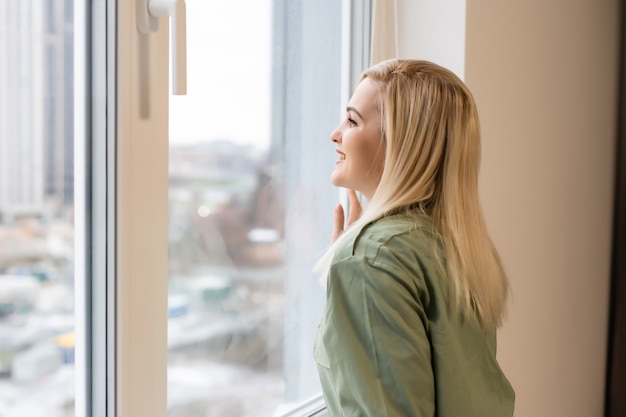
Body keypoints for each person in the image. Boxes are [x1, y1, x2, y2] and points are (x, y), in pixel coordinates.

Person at [313, 59, 515, 417]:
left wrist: (355, 259)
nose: (335, 134)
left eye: (352, 120)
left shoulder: (371, 258)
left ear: (401, 141)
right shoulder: (456, 244)